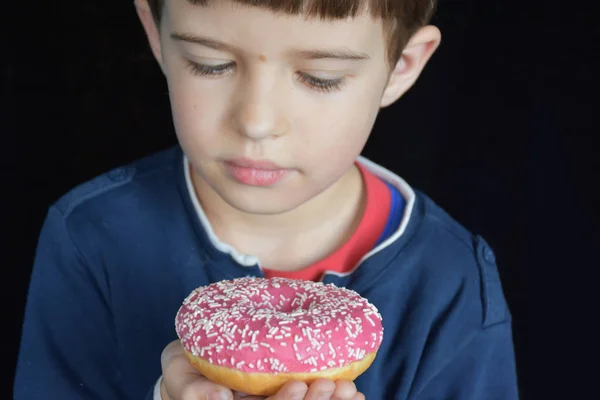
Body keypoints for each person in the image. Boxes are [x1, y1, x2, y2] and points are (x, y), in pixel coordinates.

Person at [13, 0, 519, 399]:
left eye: (319, 77)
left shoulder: (451, 279)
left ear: (401, 66)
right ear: (156, 33)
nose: (256, 122)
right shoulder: (92, 234)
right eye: (210, 64)